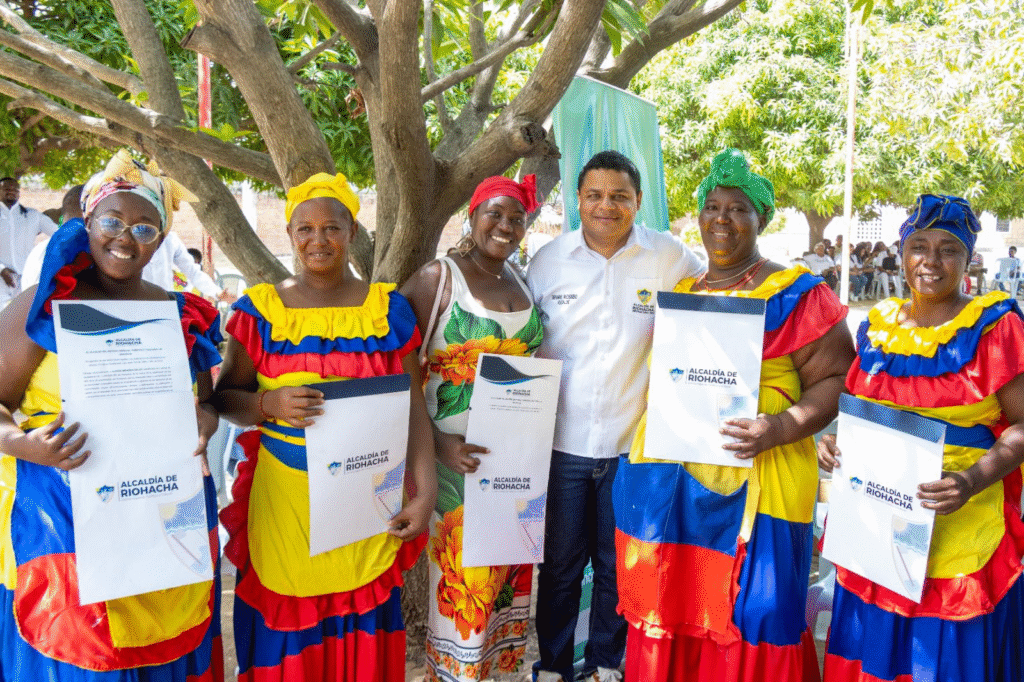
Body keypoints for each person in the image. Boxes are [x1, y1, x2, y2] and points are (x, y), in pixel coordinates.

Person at [613, 148, 854, 682]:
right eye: (712, 207)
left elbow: (839, 380)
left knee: (755, 608)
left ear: (761, 218)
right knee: (671, 596)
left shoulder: (797, 295)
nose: (722, 219)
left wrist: (781, 427)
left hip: (764, 475)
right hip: (673, 481)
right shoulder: (682, 293)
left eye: (738, 209)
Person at [0, 150, 223, 680]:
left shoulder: (179, 314)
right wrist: (22, 444)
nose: (126, 237)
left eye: (145, 227)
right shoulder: (40, 306)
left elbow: (203, 402)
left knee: (165, 643)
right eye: (111, 222)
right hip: (63, 522)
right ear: (87, 223)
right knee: (82, 655)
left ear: (161, 239)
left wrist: (205, 418)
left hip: (162, 516)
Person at [211, 172, 437, 681]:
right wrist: (268, 403)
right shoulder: (261, 311)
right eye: (305, 229)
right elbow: (224, 397)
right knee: (292, 625)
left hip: (367, 499)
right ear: (290, 234)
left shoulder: (387, 310)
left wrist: (424, 493)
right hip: (286, 504)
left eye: (332, 227)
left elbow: (412, 406)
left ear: (352, 231)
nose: (319, 240)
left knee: (360, 613)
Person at [818, 194, 1024, 681]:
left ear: (969, 258)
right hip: (875, 527)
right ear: (902, 253)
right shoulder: (879, 328)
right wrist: (837, 444)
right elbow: (864, 410)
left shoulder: (994, 328)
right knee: (876, 654)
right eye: (919, 247)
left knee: (943, 659)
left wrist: (973, 479)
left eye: (948, 249)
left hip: (960, 531)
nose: (931, 261)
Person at [527, 150, 704, 682]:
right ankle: (553, 667)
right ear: (578, 200)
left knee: (619, 568)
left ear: (638, 201)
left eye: (619, 196)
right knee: (558, 569)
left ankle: (605, 665)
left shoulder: (669, 257)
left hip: (632, 448)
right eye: (595, 195)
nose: (607, 206)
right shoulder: (547, 261)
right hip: (561, 447)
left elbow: (720, 291)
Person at [401, 174, 542, 681]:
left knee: (504, 588)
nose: (505, 226)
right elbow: (398, 366)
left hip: (512, 466)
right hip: (454, 465)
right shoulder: (439, 278)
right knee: (463, 588)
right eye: (494, 214)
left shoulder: (521, 279)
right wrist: (438, 443)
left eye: (516, 218)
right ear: (472, 216)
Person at [0, 176, 58, 304]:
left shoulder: (33, 216)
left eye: (15, 189)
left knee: (27, 313)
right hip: (1, 279)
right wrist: (2, 270)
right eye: (7, 189)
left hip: (27, 278)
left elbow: (58, 234)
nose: (12, 191)